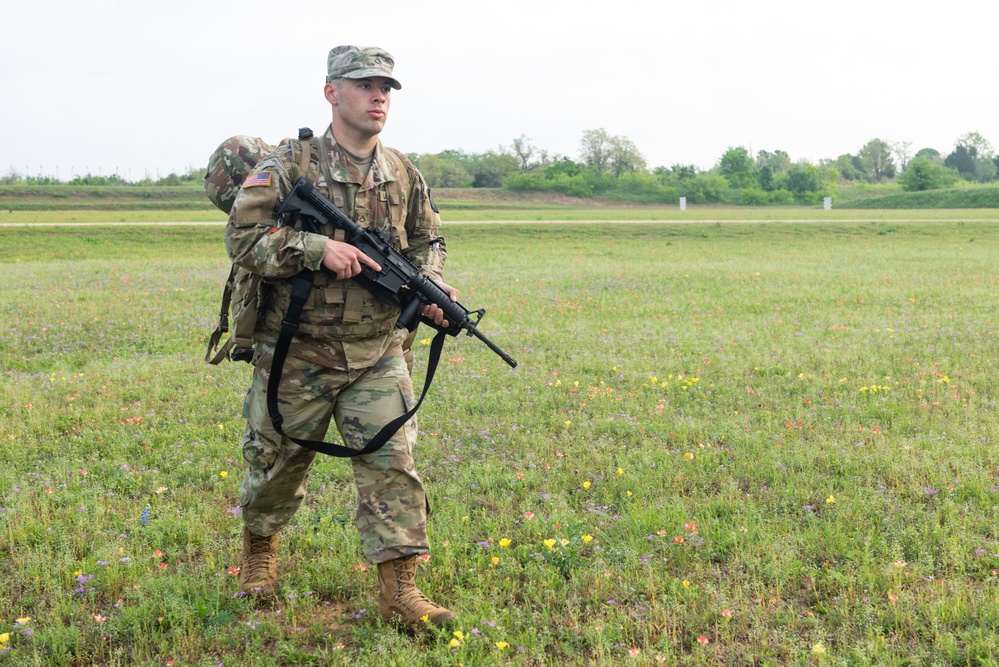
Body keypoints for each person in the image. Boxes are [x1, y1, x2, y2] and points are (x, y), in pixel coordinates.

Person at [224, 44, 456, 628]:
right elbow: (243, 239)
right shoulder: (287, 166)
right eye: (364, 85)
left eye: (385, 87)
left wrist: (431, 286)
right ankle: (259, 554)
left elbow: (430, 241)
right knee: (275, 466)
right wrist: (314, 247)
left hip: (376, 353)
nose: (379, 96)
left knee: (393, 468)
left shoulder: (403, 172)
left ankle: (400, 591)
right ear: (331, 92)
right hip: (296, 350)